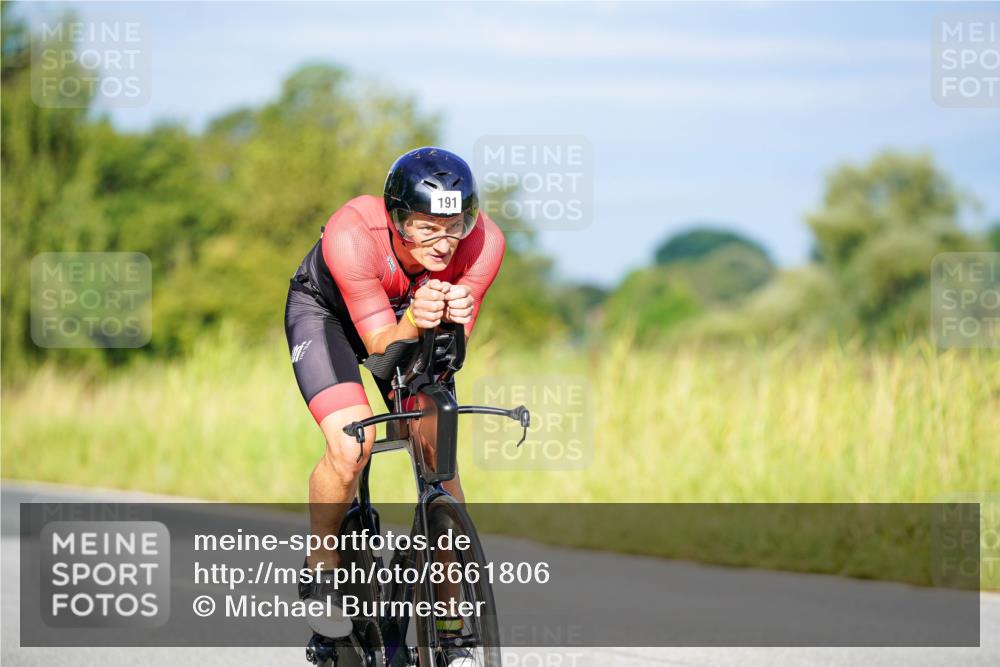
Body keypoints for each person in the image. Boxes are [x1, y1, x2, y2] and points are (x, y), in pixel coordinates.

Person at [284, 147, 504, 654]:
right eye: (426, 227)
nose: (445, 242)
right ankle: (323, 562)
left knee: (439, 459)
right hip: (333, 317)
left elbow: (448, 354)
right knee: (350, 444)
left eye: (455, 225)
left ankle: (451, 629)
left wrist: (451, 319)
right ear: (396, 216)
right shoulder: (352, 233)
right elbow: (382, 345)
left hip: (412, 320)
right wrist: (417, 318)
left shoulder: (485, 243)